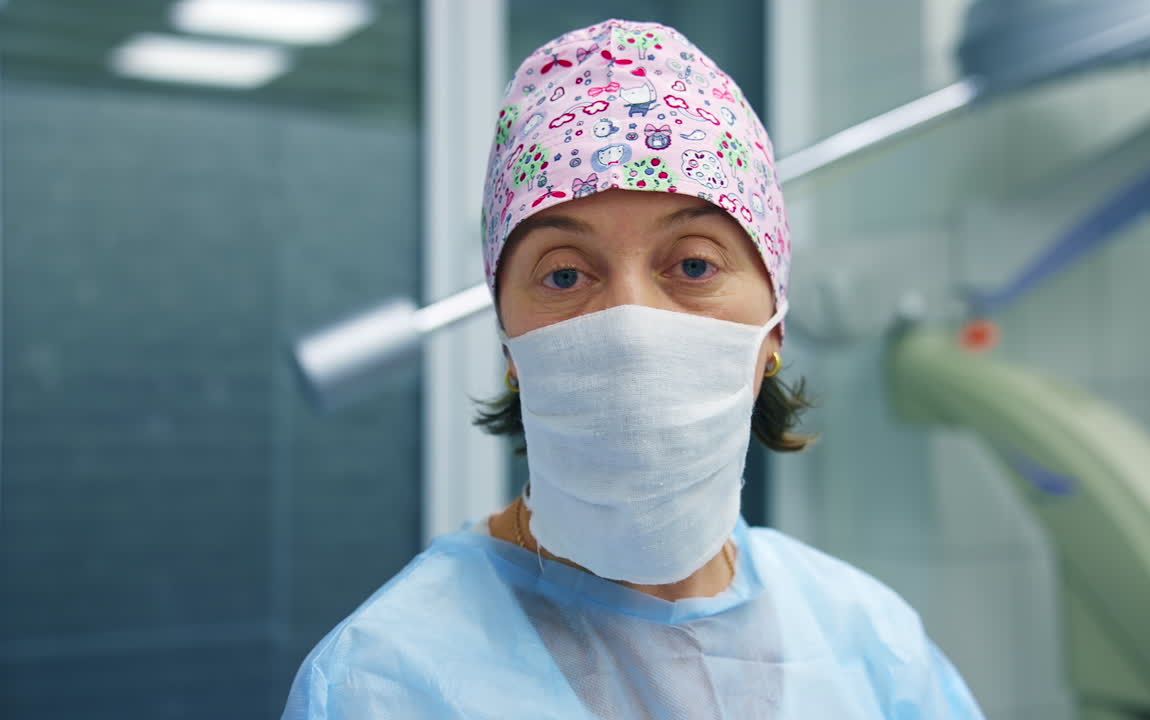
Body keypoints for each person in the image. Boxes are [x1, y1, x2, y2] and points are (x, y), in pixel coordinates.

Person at [282, 19, 985, 719]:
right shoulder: (384, 681)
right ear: (510, 348)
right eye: (565, 276)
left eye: (693, 265)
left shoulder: (869, 643)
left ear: (775, 329)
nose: (631, 327)